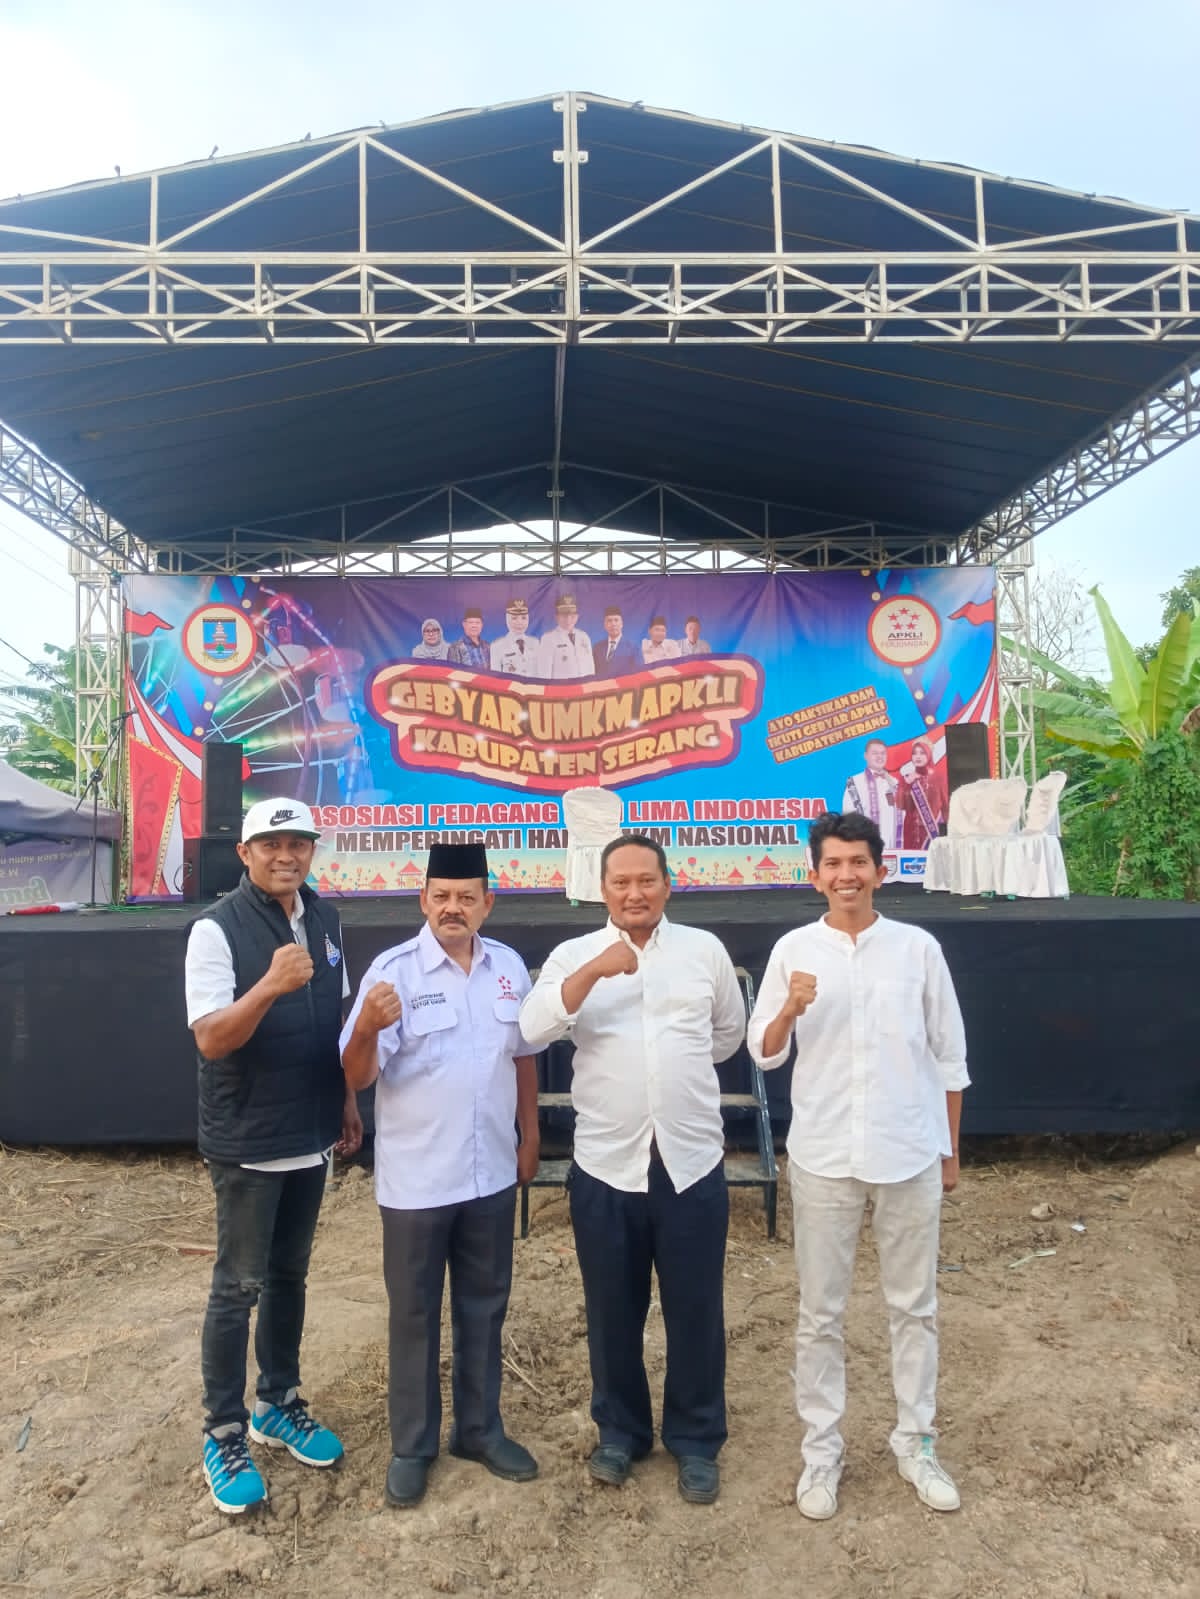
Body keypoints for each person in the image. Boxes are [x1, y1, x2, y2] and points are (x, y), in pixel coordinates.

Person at [746, 811, 969, 1522]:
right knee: (820, 1313)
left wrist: (949, 1151)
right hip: (825, 1155)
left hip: (908, 1152)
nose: (847, 875)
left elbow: (950, 1055)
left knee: (915, 1307)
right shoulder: (793, 949)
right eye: (833, 864)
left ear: (880, 869)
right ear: (814, 874)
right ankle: (822, 1451)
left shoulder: (917, 949)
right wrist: (789, 1008)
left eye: (858, 862)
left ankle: (917, 1443)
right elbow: (764, 1053)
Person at [520, 835, 745, 1505]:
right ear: (603, 890)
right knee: (612, 1308)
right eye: (621, 882)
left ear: (667, 884)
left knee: (695, 1307)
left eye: (647, 880)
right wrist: (596, 971)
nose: (634, 893)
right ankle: (620, 1432)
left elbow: (726, 1036)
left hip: (690, 1162)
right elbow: (532, 1028)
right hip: (606, 1166)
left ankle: (696, 1439)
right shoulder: (574, 955)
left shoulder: (704, 951)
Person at [340, 842, 540, 1508]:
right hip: (418, 1182)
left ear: (488, 902)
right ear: (423, 899)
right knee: (415, 1314)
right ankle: (413, 1445)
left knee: (485, 1305)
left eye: (467, 897)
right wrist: (365, 1027)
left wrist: (531, 1134)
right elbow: (357, 1074)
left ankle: (479, 1430)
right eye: (442, 897)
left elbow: (523, 1055)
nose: (454, 908)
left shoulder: (508, 967)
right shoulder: (392, 972)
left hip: (491, 1174)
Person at [185, 798, 362, 1516]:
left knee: (290, 1276)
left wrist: (347, 1101)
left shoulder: (324, 917)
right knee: (238, 1288)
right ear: (245, 853)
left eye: (299, 843)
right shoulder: (215, 929)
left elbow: (336, 1021)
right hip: (249, 1140)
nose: (287, 855)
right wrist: (268, 984)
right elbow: (211, 1038)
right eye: (272, 843)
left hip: (310, 1131)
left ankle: (278, 1403)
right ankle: (224, 1432)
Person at [842, 737, 901, 846]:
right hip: (865, 847)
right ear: (866, 756)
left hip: (892, 847)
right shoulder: (854, 782)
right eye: (875, 753)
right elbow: (848, 817)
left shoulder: (894, 783)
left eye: (883, 753)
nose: (879, 757)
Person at [896, 739, 948, 849]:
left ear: (929, 754)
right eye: (914, 753)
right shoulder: (907, 778)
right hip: (911, 831)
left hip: (931, 832)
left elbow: (946, 807)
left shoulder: (939, 777)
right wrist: (907, 785)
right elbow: (901, 805)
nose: (918, 756)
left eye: (922, 752)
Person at [537, 593, 593, 679]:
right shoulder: (548, 638)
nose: (568, 619)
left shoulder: (584, 636)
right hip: (560, 687)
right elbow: (544, 673)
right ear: (557, 617)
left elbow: (590, 667)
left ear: (577, 617)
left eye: (572, 616)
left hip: (583, 686)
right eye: (564, 616)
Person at [489, 598, 539, 675]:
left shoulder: (535, 642)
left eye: (523, 618)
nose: (519, 622)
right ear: (507, 619)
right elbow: (495, 677)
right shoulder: (497, 646)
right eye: (514, 618)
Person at [592, 604, 642, 675]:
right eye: (609, 621)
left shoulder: (633, 648)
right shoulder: (597, 648)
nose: (613, 624)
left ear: (622, 624)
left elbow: (639, 674)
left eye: (616, 620)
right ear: (605, 625)